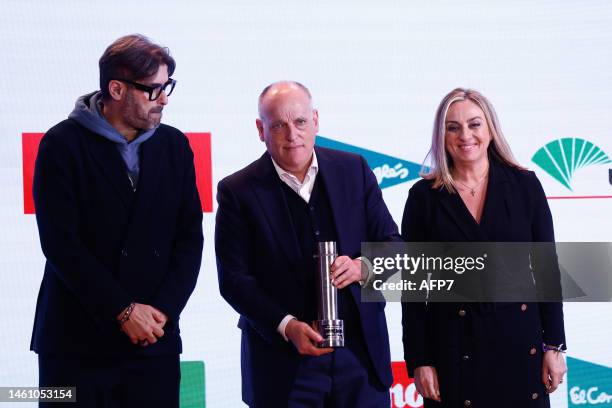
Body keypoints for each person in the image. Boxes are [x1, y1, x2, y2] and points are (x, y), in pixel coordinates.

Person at [31, 34, 203, 407]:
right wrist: (122, 311)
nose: (165, 99)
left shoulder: (174, 145)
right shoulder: (60, 144)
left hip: (154, 342)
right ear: (116, 89)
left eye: (167, 87)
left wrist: (162, 312)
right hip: (74, 343)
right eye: (153, 90)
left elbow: (189, 237)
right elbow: (61, 243)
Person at [215, 81, 401, 407]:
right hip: (283, 366)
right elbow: (234, 280)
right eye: (279, 125)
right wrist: (287, 327)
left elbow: (394, 244)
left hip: (360, 358)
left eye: (300, 122)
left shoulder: (354, 169)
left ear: (315, 120)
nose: (292, 134)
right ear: (261, 129)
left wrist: (364, 267)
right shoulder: (238, 191)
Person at [401, 88, 567, 407]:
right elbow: (412, 289)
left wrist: (555, 346)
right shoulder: (423, 197)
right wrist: (420, 359)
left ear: (490, 130)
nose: (466, 135)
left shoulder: (524, 186)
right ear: (442, 135)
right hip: (452, 351)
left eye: (475, 124)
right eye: (453, 127)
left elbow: (548, 271)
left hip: (519, 346)